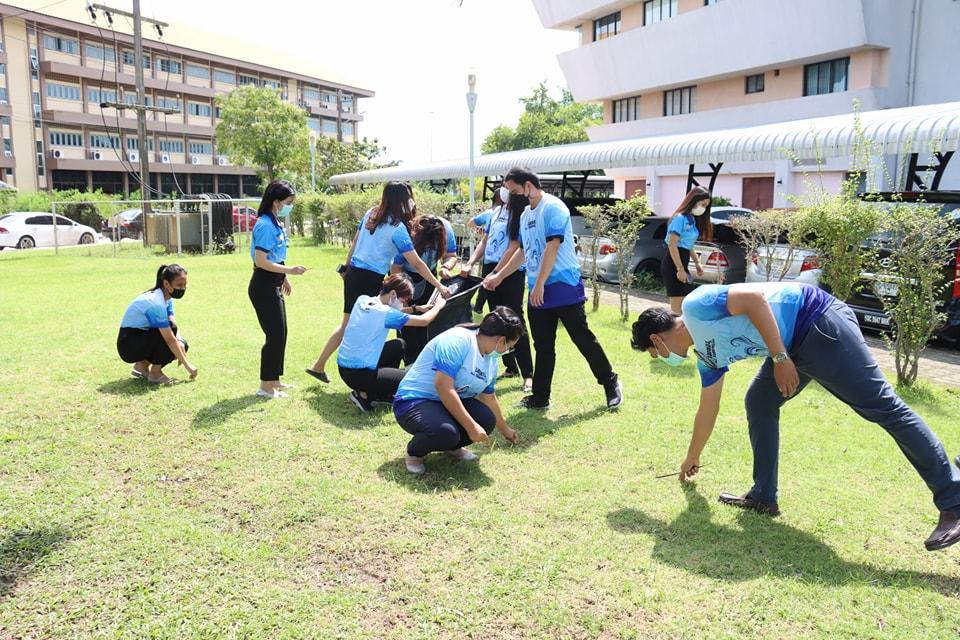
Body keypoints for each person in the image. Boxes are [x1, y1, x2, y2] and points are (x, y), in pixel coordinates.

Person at [629, 281, 960, 552]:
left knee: (885, 408)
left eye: (654, 354)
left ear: (657, 339)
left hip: (817, 322)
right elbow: (708, 408)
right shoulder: (707, 357)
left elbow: (754, 299)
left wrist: (779, 358)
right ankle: (763, 495)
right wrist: (692, 456)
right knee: (759, 401)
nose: (660, 359)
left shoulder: (695, 306)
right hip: (791, 347)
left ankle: (954, 500)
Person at [483, 167, 623, 411]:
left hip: (563, 286)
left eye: (514, 191)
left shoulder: (554, 207)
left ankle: (610, 382)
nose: (512, 197)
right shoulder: (525, 215)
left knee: (582, 339)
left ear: (528, 186)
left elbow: (553, 247)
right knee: (543, 345)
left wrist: (539, 285)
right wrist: (498, 276)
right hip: (537, 290)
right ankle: (540, 397)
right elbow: (523, 252)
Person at [307, 182, 451, 382]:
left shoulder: (371, 213)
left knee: (349, 323)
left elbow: (355, 242)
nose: (412, 202)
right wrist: (439, 285)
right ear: (402, 200)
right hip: (369, 278)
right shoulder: (398, 228)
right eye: (409, 197)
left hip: (354, 274)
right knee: (356, 323)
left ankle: (321, 365)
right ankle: (325, 366)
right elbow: (417, 263)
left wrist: (346, 267)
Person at [393, 306, 523, 475]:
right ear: (501, 340)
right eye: (509, 347)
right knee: (446, 432)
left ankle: (452, 446)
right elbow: (443, 387)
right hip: (414, 401)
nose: (507, 351)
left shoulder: (491, 360)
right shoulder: (457, 341)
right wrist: (471, 427)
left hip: (444, 402)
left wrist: (505, 429)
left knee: (486, 419)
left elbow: (488, 397)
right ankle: (414, 452)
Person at [338, 273, 447, 412]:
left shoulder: (363, 300)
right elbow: (424, 321)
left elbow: (396, 311)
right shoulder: (386, 313)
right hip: (358, 375)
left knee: (398, 345)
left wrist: (416, 308)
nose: (403, 304)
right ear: (393, 294)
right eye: (403, 300)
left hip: (345, 369)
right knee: (410, 378)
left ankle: (376, 393)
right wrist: (438, 306)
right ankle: (365, 395)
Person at [463, 185, 534, 392]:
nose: (503, 190)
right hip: (490, 267)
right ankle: (510, 367)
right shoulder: (495, 212)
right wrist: (470, 263)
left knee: (515, 319)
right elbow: (484, 242)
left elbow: (513, 248)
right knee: (497, 318)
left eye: (508, 187)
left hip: (511, 272)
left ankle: (528, 374)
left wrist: (497, 273)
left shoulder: (520, 216)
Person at [249, 180, 308, 399]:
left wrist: (284, 277)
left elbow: (276, 257)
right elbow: (261, 261)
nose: (289, 206)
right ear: (276, 202)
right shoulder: (265, 225)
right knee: (274, 335)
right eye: (288, 202)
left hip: (273, 282)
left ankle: (274, 380)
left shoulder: (275, 223)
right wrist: (290, 270)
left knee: (281, 333)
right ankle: (265, 386)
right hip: (263, 285)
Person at [391, 214, 460, 364]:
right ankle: (409, 361)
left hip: (430, 277)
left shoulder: (446, 229)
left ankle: (424, 360)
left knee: (428, 322)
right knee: (407, 323)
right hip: (405, 275)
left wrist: (446, 267)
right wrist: (402, 294)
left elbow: (451, 255)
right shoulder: (408, 233)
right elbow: (396, 267)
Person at [117, 264, 198, 385]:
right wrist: (188, 365)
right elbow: (169, 338)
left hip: (140, 338)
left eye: (185, 284)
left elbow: (172, 322)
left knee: (182, 343)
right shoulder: (155, 302)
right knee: (171, 337)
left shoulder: (167, 298)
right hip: (129, 345)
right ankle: (155, 374)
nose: (183, 288)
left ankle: (141, 366)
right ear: (166, 284)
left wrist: (180, 340)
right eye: (179, 285)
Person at [662, 186, 712, 314]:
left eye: (706, 206)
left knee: (686, 305)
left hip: (683, 262)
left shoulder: (691, 219)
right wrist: (680, 269)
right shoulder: (679, 218)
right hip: (674, 263)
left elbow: (688, 245)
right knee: (677, 309)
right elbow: (672, 245)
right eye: (703, 204)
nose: (704, 208)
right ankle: (673, 326)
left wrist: (697, 263)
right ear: (694, 200)